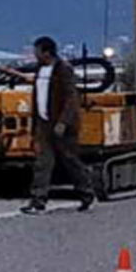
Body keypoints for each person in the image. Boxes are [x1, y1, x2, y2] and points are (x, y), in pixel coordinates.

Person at [21, 36, 95, 214]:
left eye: (37, 51)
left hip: (62, 124)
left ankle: (86, 192)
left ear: (46, 52)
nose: (34, 54)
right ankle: (38, 200)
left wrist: (63, 122)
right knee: (42, 163)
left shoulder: (63, 70)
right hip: (44, 122)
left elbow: (71, 98)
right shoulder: (40, 70)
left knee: (70, 160)